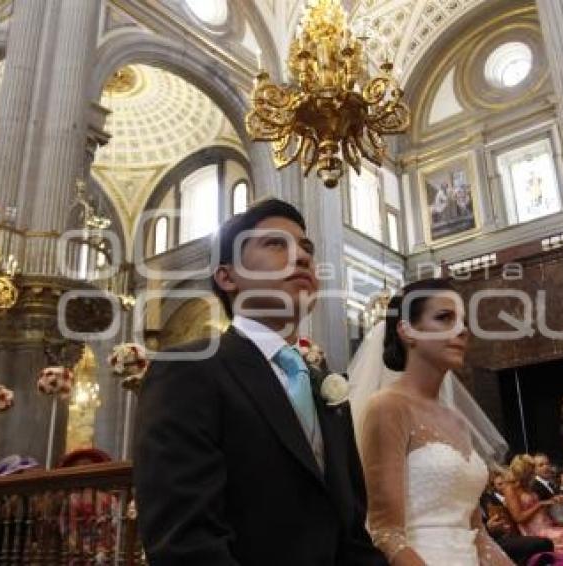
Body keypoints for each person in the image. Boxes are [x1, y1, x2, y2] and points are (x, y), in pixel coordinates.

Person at [134, 198, 386, 565]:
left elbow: (350, 532)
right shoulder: (189, 368)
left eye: (306, 248)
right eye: (274, 244)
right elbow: (186, 542)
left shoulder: (327, 387)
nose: (300, 257)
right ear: (227, 276)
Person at [355, 278, 514, 565]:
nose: (462, 330)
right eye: (444, 318)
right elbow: (385, 532)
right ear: (407, 331)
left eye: (463, 321)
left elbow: (477, 532)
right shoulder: (388, 407)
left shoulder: (457, 421)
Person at [504, 454, 563, 558]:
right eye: (530, 471)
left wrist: (552, 501)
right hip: (535, 530)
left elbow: (538, 507)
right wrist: (540, 504)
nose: (533, 474)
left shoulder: (528, 485)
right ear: (523, 472)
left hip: (547, 522)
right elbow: (518, 518)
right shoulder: (510, 489)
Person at [481, 470, 554, 565]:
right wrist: (489, 528)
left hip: (505, 534)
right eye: (500, 484)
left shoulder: (485, 498)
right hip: (492, 540)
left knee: (544, 543)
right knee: (542, 544)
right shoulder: (490, 499)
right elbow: (518, 517)